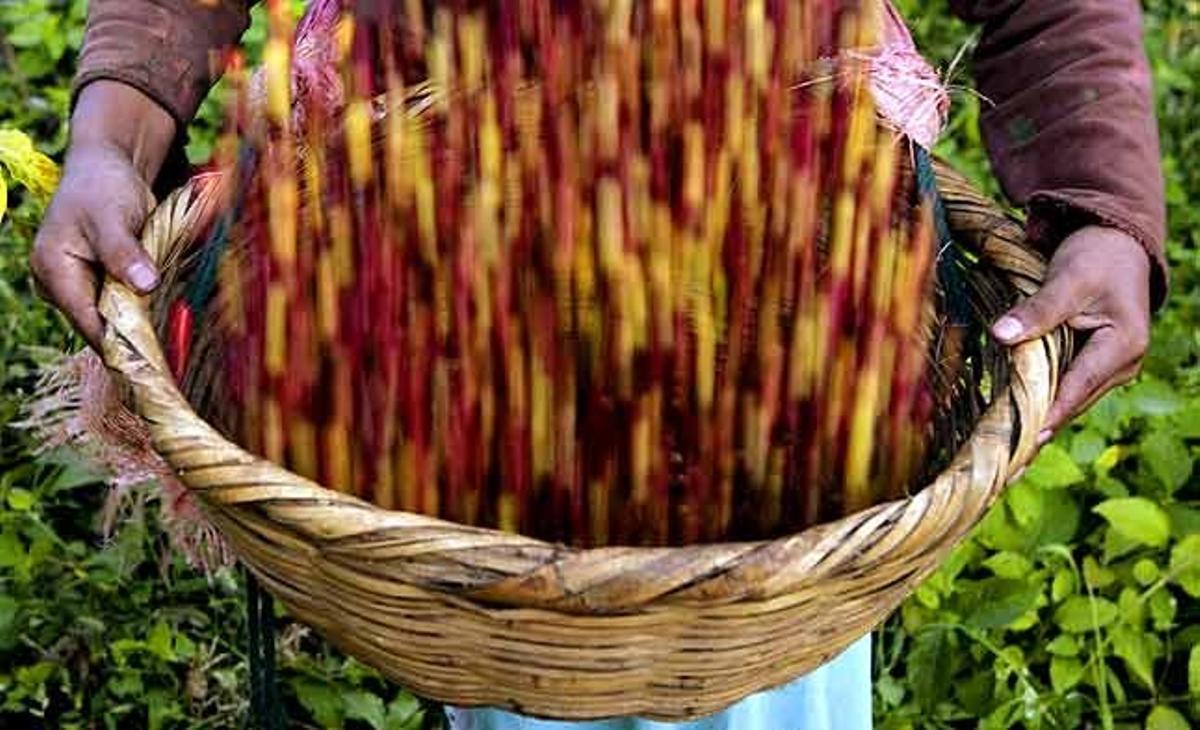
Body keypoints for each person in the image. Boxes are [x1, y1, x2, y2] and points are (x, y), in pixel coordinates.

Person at [29, 1, 1165, 728]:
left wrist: (1105, 207)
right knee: (503, 585)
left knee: (759, 623)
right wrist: (113, 132)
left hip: (776, 239)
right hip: (438, 224)